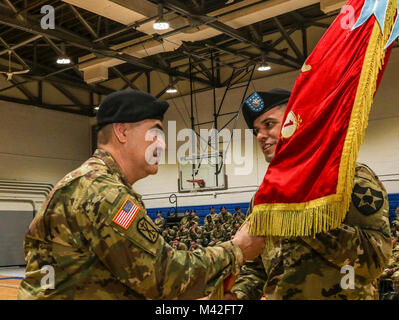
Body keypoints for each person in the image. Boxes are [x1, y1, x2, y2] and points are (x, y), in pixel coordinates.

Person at [18, 89, 265, 300]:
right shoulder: (104, 192)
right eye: (155, 133)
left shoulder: (90, 183)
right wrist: (237, 249)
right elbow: (163, 277)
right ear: (122, 132)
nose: (163, 145)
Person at [226, 89, 392, 300]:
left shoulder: (349, 178)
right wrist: (238, 295)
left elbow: (375, 259)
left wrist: (302, 216)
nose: (260, 136)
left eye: (268, 125)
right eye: (256, 130)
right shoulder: (264, 197)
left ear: (296, 122)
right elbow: (256, 268)